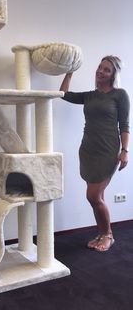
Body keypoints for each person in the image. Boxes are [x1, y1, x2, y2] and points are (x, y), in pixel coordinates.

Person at [60, 55, 130, 252]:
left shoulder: (120, 95)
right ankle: (101, 233)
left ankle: (108, 235)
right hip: (88, 150)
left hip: (108, 150)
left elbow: (124, 125)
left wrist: (124, 151)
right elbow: (62, 94)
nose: (101, 71)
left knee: (93, 196)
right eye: (100, 67)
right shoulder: (90, 96)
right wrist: (70, 72)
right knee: (97, 196)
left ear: (113, 74)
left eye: (106, 69)